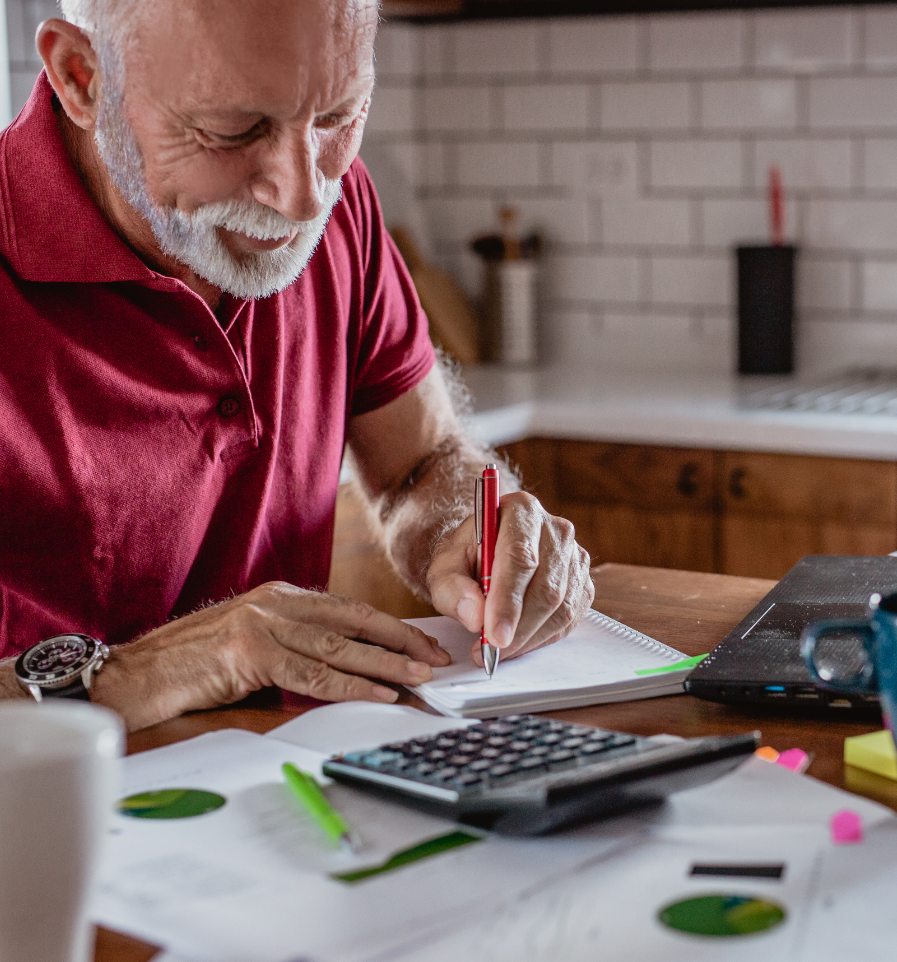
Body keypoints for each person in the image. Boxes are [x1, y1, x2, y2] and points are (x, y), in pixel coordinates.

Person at [0, 0, 593, 730]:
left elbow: (421, 463)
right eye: (231, 131)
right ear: (80, 76)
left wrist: (465, 528)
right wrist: (152, 667)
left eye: (338, 118)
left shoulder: (337, 207)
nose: (303, 194)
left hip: (285, 793)